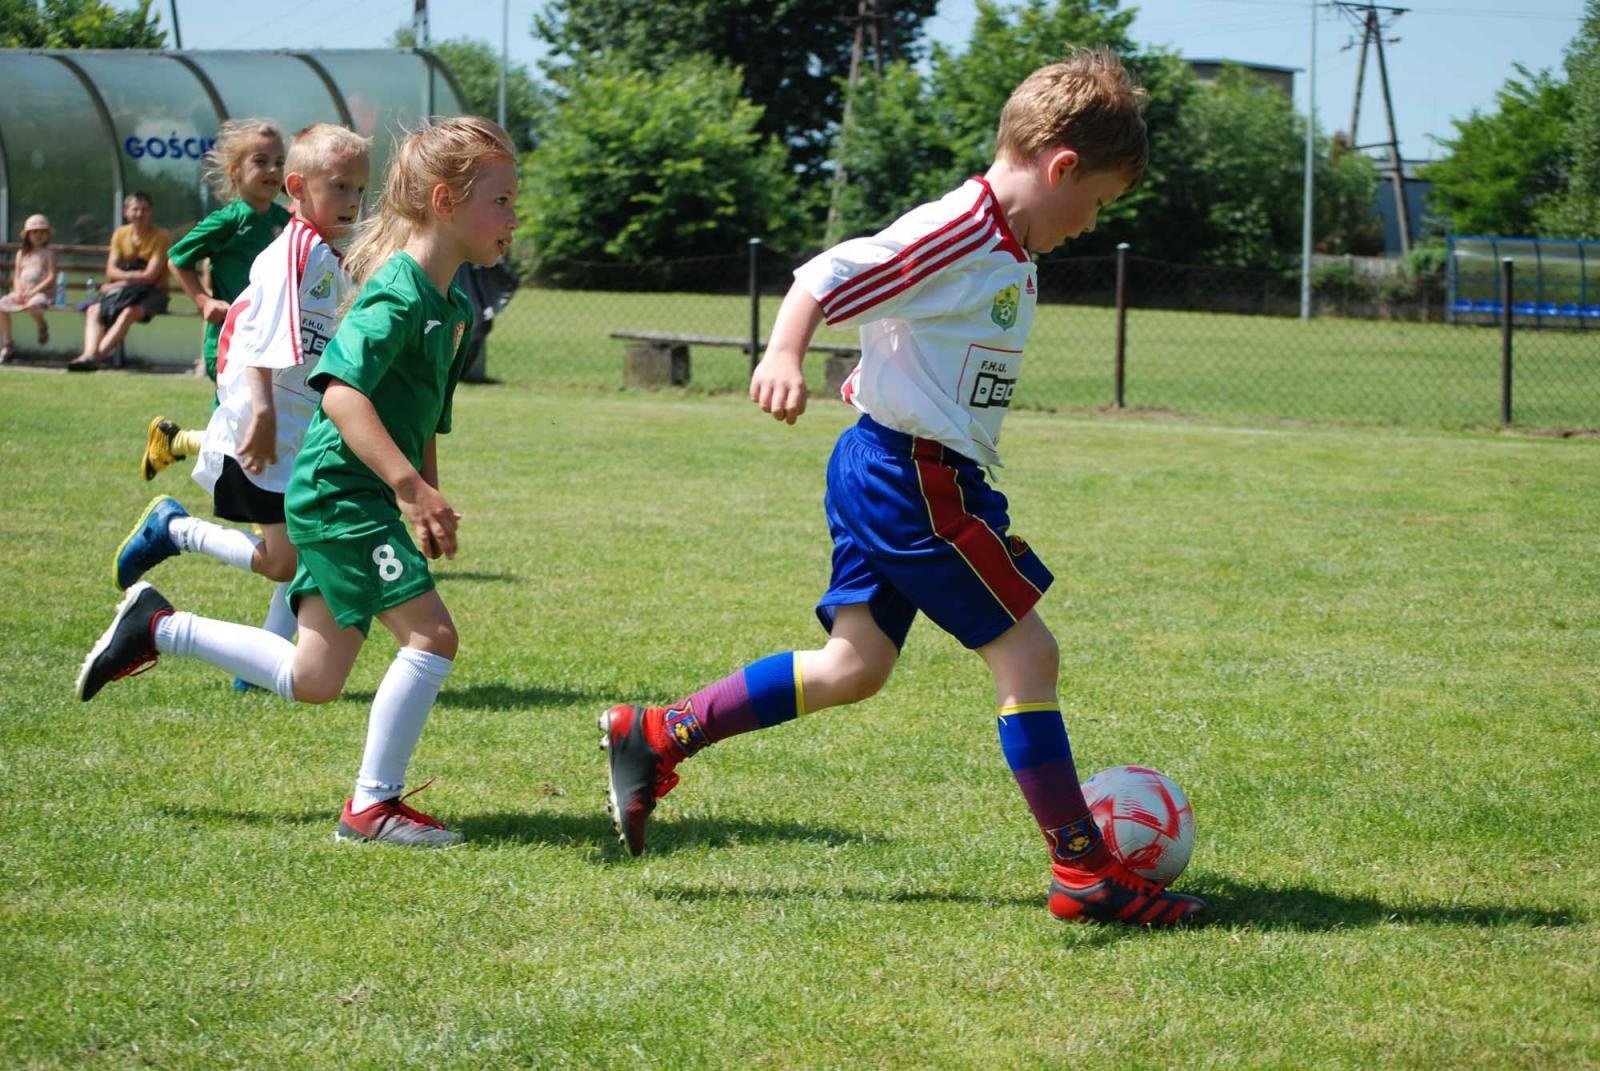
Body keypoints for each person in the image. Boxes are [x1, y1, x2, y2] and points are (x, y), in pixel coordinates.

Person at [600, 50, 1206, 927]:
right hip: (911, 478)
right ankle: (1084, 870)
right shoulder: (962, 228)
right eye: (1098, 201)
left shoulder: (1004, 240)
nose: (1090, 221)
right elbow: (826, 273)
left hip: (895, 466)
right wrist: (781, 352)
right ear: (1060, 166)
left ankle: (657, 733)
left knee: (854, 667)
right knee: (1029, 656)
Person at [76, 117, 519, 847]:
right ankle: (371, 809)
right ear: (444, 201)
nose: (512, 218)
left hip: (359, 497)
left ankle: (159, 625)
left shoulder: (454, 309)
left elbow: (426, 419)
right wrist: (409, 490)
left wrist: (422, 498)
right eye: (500, 200)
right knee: (433, 637)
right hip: (341, 496)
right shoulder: (397, 293)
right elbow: (342, 394)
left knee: (313, 677)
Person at [111, 123, 372, 693]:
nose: (353, 201)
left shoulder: (326, 253)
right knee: (282, 560)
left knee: (303, 547)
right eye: (340, 187)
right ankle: (174, 529)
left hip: (301, 429)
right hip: (270, 432)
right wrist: (263, 412)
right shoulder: (291, 252)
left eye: (359, 189)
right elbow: (257, 337)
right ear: (299, 187)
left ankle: (257, 670)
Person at [138, 119, 290, 478]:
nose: (273, 170)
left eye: (280, 163)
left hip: (267, 342)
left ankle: (174, 442)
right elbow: (178, 258)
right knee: (249, 424)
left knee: (256, 423)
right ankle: (259, 511)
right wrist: (204, 301)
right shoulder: (229, 220)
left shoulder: (285, 221)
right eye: (261, 161)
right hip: (230, 341)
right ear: (235, 171)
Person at [68, 192, 170, 370]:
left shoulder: (161, 236)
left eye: (144, 209)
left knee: (128, 313)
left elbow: (150, 276)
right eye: (135, 209)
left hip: (154, 293)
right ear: (126, 212)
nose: (139, 214)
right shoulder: (120, 234)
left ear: (151, 212)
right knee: (93, 310)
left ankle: (92, 359)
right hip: (123, 293)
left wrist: (120, 282)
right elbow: (110, 269)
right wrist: (125, 281)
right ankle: (89, 355)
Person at [0, 213, 58, 362]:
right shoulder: (21, 254)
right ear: (27, 235)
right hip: (22, 293)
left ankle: (42, 325)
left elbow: (51, 277)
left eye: (43, 231)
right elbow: (17, 276)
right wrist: (19, 291)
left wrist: (33, 291)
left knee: (33, 306)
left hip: (42, 293)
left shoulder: (49, 253)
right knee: (1, 305)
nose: (39, 235)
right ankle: (8, 344)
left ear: (47, 235)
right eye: (35, 231)